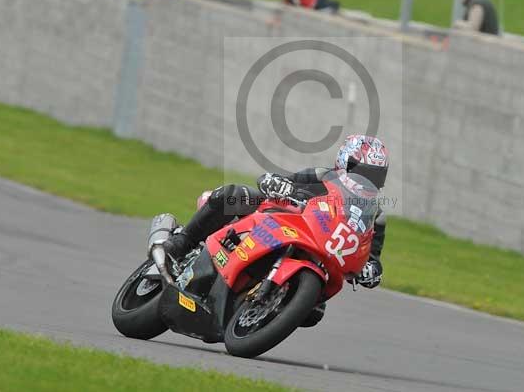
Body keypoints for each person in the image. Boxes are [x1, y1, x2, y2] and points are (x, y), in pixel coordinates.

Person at [163, 134, 389, 326]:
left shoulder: (375, 215)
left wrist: (371, 270)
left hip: (318, 254)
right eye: (363, 172)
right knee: (233, 195)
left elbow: (372, 256)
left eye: (375, 176)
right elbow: (279, 180)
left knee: (314, 312)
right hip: (281, 223)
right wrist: (279, 184)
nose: (368, 180)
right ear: (345, 163)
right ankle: (182, 242)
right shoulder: (322, 176)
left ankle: (260, 311)